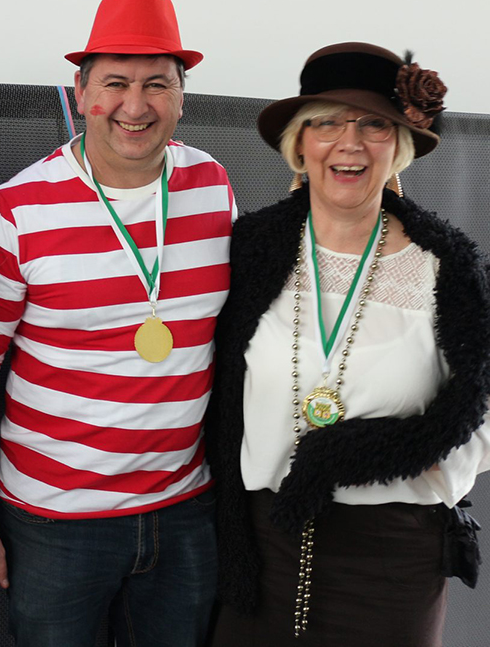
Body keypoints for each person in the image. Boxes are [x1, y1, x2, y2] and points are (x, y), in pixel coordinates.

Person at [0, 0, 234, 646]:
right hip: (55, 520)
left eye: (157, 85)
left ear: (182, 98)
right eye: (115, 84)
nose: (136, 106)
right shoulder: (15, 212)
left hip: (185, 511)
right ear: (80, 94)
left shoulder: (213, 185)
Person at [207, 43, 490, 646]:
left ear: (399, 146)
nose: (350, 143)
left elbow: (481, 412)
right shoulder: (250, 251)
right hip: (263, 551)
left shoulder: (448, 269)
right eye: (327, 123)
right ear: (300, 143)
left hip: (391, 561)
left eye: (373, 125)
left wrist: (387, 452)